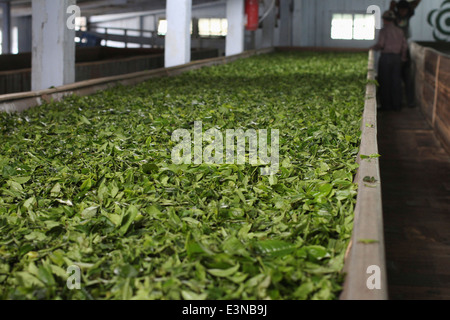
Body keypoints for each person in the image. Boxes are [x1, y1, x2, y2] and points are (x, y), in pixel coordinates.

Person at [371, 11, 408, 111]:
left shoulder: (383, 31)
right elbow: (404, 46)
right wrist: (403, 58)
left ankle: (386, 106)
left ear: (384, 19)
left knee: (384, 81)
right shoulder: (400, 31)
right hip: (397, 58)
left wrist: (372, 48)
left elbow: (381, 45)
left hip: (386, 58)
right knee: (396, 82)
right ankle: (397, 105)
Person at [390, 0, 422, 108]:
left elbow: (415, 4)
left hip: (404, 48)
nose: (403, 12)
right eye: (401, 9)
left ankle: (410, 101)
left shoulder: (407, 15)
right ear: (398, 9)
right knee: (395, 77)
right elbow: (391, 7)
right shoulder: (394, 15)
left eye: (405, 10)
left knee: (407, 77)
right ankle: (396, 102)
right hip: (395, 49)